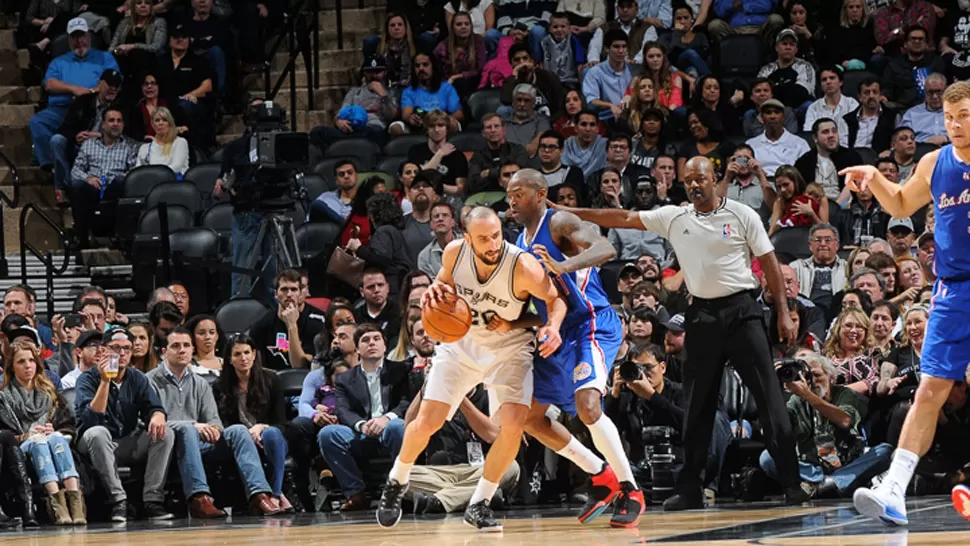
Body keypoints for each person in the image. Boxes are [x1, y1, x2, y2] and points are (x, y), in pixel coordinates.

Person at [553, 155, 811, 509]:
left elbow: (769, 263)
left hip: (743, 311)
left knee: (769, 399)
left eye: (699, 179)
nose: (693, 185)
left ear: (714, 178)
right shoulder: (675, 216)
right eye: (687, 180)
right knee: (697, 405)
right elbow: (624, 218)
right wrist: (570, 214)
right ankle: (691, 487)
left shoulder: (741, 213)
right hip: (701, 315)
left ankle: (792, 483)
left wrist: (782, 311)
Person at [375, 207, 566, 532]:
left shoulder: (521, 265)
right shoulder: (453, 254)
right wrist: (436, 291)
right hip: (461, 347)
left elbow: (555, 298)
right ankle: (397, 481)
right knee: (425, 424)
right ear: (467, 239)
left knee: (511, 432)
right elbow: (442, 285)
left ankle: (479, 503)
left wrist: (555, 326)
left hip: (507, 348)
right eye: (483, 239)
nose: (493, 244)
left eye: (496, 236)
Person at [843, 81, 970, 522]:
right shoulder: (936, 162)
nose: (956, 125)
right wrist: (875, 177)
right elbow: (899, 204)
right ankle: (894, 487)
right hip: (952, 291)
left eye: (965, 116)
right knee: (931, 390)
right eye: (950, 118)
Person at [506, 169, 646, 526]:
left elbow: (606, 247)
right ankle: (601, 474)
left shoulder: (560, 221)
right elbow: (544, 306)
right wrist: (510, 323)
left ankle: (631, 489)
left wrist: (564, 265)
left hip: (593, 322)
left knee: (587, 406)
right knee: (529, 418)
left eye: (519, 193)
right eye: (508, 195)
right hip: (559, 332)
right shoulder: (520, 245)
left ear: (540, 194)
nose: (511, 201)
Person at [146, 328, 279, 517]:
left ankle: (258, 495)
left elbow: (214, 420)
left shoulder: (200, 383)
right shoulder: (150, 381)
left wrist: (214, 430)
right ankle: (199, 497)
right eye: (175, 346)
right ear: (163, 352)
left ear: (193, 350)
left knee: (239, 430)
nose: (182, 350)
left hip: (196, 444)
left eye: (186, 346)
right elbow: (149, 421)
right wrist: (193, 425)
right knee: (188, 431)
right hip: (165, 444)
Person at [75, 327, 174, 522]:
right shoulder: (87, 379)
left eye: (127, 349)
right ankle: (117, 500)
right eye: (116, 348)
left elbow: (153, 407)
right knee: (97, 432)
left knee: (166, 433)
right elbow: (90, 421)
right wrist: (105, 381)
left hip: (126, 441)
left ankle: (153, 501)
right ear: (103, 350)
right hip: (92, 445)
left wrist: (157, 415)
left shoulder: (137, 378)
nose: (122, 353)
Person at [762, 352, 893, 498]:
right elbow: (775, 429)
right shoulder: (796, 400)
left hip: (846, 464)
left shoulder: (845, 394)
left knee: (885, 452)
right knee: (767, 457)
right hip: (809, 466)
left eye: (817, 375)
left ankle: (826, 483)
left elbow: (845, 421)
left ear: (831, 378)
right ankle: (830, 484)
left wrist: (808, 395)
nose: (812, 381)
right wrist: (774, 390)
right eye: (807, 376)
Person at [0, 341, 84, 525]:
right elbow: (4, 437)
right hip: (21, 449)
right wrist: (27, 436)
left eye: (31, 360)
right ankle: (57, 507)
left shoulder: (50, 392)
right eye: (21, 361)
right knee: (39, 441)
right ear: (12, 367)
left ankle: (76, 507)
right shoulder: (3, 398)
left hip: (53, 444)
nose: (27, 365)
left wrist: (55, 429)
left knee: (56, 437)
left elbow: (69, 425)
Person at [29, 17, 119, 186]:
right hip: (61, 108)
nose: (79, 41)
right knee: (37, 122)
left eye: (82, 36)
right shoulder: (59, 61)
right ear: (69, 40)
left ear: (89, 36)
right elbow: (49, 84)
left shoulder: (104, 58)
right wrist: (74, 89)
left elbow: (113, 82)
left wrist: (89, 93)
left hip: (90, 109)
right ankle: (53, 166)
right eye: (74, 37)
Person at [212, 334, 290, 513]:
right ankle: (272, 495)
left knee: (271, 434)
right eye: (237, 354)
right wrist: (247, 435)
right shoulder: (220, 386)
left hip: (270, 438)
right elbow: (224, 425)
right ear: (229, 359)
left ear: (254, 354)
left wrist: (261, 426)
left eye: (247, 352)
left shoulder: (272, 380)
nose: (243, 358)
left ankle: (276, 495)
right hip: (240, 441)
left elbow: (281, 423)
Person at [49, 69, 123, 202]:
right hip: (79, 145)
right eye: (109, 85)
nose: (112, 89)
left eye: (116, 86)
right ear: (100, 83)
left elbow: (125, 133)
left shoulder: (121, 107)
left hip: (105, 147)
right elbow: (65, 128)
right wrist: (76, 136)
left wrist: (100, 135)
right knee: (57, 140)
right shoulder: (83, 101)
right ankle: (64, 188)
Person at [68, 107, 137, 248]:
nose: (115, 124)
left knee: (122, 182)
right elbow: (75, 170)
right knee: (77, 187)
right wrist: (88, 179)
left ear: (123, 125)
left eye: (119, 121)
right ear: (103, 125)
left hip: (115, 188)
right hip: (93, 186)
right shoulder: (89, 145)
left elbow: (134, 171)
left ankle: (121, 238)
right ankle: (81, 239)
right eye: (111, 120)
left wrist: (121, 176)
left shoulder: (130, 146)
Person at [250, 269, 326, 371]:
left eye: (294, 289)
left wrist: (292, 325)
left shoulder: (316, 325)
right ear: (276, 294)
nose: (289, 294)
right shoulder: (263, 325)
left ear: (300, 294)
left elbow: (300, 366)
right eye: (284, 289)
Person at [794, 118, 864, 204]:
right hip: (814, 208)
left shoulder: (851, 157)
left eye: (834, 131)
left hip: (844, 208)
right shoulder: (804, 162)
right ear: (815, 138)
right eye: (825, 132)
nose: (831, 135)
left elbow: (855, 188)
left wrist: (839, 207)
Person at [391, 53, 463, 136]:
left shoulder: (447, 88)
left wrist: (440, 120)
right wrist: (411, 118)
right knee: (395, 127)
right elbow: (406, 114)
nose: (421, 68)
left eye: (425, 65)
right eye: (417, 66)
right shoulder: (409, 91)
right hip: (418, 126)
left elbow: (459, 114)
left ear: (433, 66)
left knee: (453, 124)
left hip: (442, 124)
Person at [882, 26, 945, 111]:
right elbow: (887, 87)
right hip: (901, 108)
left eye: (920, 39)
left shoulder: (936, 63)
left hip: (931, 109)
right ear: (905, 43)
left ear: (926, 44)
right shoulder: (894, 64)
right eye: (913, 39)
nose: (917, 41)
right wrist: (884, 96)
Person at [407, 110, 468, 195]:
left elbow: (461, 189)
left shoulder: (457, 155)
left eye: (441, 125)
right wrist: (439, 154)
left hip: (448, 197)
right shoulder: (415, 151)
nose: (436, 129)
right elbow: (418, 178)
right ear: (427, 129)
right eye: (432, 126)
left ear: (447, 128)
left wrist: (439, 187)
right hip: (421, 195)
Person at [746, 99, 811, 177]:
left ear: (783, 117)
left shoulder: (800, 143)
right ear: (762, 118)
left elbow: (807, 170)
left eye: (777, 112)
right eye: (768, 113)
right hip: (759, 184)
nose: (773, 116)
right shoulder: (750, 144)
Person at [468, 114, 529, 195]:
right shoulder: (478, 156)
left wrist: (490, 173)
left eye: (496, 126)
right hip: (487, 196)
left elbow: (520, 175)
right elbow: (473, 184)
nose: (493, 130)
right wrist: (502, 174)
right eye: (489, 127)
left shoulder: (517, 150)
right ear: (483, 133)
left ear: (504, 130)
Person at [582, 28, 633, 121]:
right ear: (606, 49)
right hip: (606, 118)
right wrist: (610, 105)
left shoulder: (633, 70)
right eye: (616, 47)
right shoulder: (594, 72)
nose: (621, 51)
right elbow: (591, 101)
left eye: (624, 46)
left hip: (631, 116)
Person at [757, 29, 816, 109]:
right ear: (776, 47)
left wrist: (776, 88)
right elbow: (760, 93)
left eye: (792, 44)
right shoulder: (766, 69)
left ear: (796, 49)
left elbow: (802, 93)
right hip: (771, 108)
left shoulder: (805, 66)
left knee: (808, 105)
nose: (788, 47)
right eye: (784, 44)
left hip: (797, 108)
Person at [844, 77, 897, 153]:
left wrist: (890, 151)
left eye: (875, 92)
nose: (871, 96)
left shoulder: (892, 116)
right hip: (853, 159)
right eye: (867, 92)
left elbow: (898, 142)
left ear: (880, 95)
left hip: (880, 160)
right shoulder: (848, 119)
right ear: (859, 97)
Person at [719, 145, 774, 214]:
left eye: (746, 159)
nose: (743, 163)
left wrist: (760, 175)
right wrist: (727, 177)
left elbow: (775, 207)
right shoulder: (725, 187)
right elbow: (715, 208)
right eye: (739, 159)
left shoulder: (766, 185)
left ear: (753, 160)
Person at [135, 106, 189, 174]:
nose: (161, 123)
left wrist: (151, 174)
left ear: (170, 123)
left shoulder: (180, 142)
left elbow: (176, 167)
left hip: (174, 183)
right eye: (157, 120)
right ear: (152, 124)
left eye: (164, 120)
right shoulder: (144, 148)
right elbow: (137, 171)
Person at [899, 72, 947, 144]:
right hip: (920, 149)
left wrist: (946, 138)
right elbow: (901, 139)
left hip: (950, 148)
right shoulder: (911, 114)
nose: (935, 96)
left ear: (946, 90)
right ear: (925, 92)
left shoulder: (957, 111)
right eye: (930, 92)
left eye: (939, 92)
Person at [418, 202, 458, 278]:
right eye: (436, 216)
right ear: (431, 224)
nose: (440, 219)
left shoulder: (469, 245)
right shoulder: (424, 257)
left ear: (453, 222)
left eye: (445, 215)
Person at [562, 110, 608, 177]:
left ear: (597, 129)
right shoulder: (566, 145)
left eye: (592, 124)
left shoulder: (605, 145)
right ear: (575, 128)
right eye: (583, 124)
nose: (588, 129)